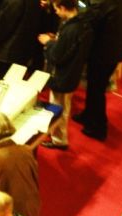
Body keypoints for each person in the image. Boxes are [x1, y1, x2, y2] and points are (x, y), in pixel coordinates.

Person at [72, 0, 122, 141]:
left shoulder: (105, 3)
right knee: (94, 88)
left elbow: (90, 18)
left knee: (96, 90)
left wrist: (77, 11)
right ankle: (88, 115)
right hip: (112, 51)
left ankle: (98, 127)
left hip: (102, 52)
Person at [38, 0, 93, 150]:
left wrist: (48, 43)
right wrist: (57, 41)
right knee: (63, 107)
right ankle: (56, 135)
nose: (55, 12)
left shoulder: (71, 29)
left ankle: (59, 140)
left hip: (62, 76)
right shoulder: (82, 22)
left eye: (56, 9)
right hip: (72, 74)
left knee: (59, 110)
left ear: (62, 7)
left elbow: (57, 56)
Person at [0, 0, 42, 79]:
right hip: (23, 54)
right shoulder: (36, 2)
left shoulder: (14, 2)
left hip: (4, 53)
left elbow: (3, 23)